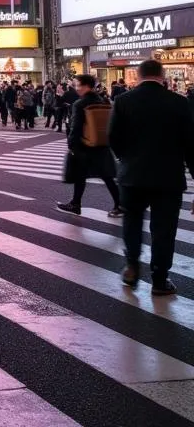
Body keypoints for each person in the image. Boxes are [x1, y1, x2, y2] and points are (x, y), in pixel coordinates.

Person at [109, 58, 194, 294]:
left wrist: (126, 159)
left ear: (138, 75)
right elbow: (191, 145)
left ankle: (132, 265)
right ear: (162, 75)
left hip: (132, 176)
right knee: (164, 229)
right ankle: (159, 279)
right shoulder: (179, 103)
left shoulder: (123, 101)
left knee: (132, 222)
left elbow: (113, 138)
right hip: (168, 178)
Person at [58, 73, 123, 218]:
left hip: (84, 145)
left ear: (86, 86)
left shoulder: (80, 104)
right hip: (101, 144)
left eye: (78, 85)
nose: (76, 88)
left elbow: (76, 127)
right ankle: (118, 204)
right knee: (106, 176)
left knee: (80, 175)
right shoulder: (103, 101)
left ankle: (75, 204)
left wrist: (72, 145)